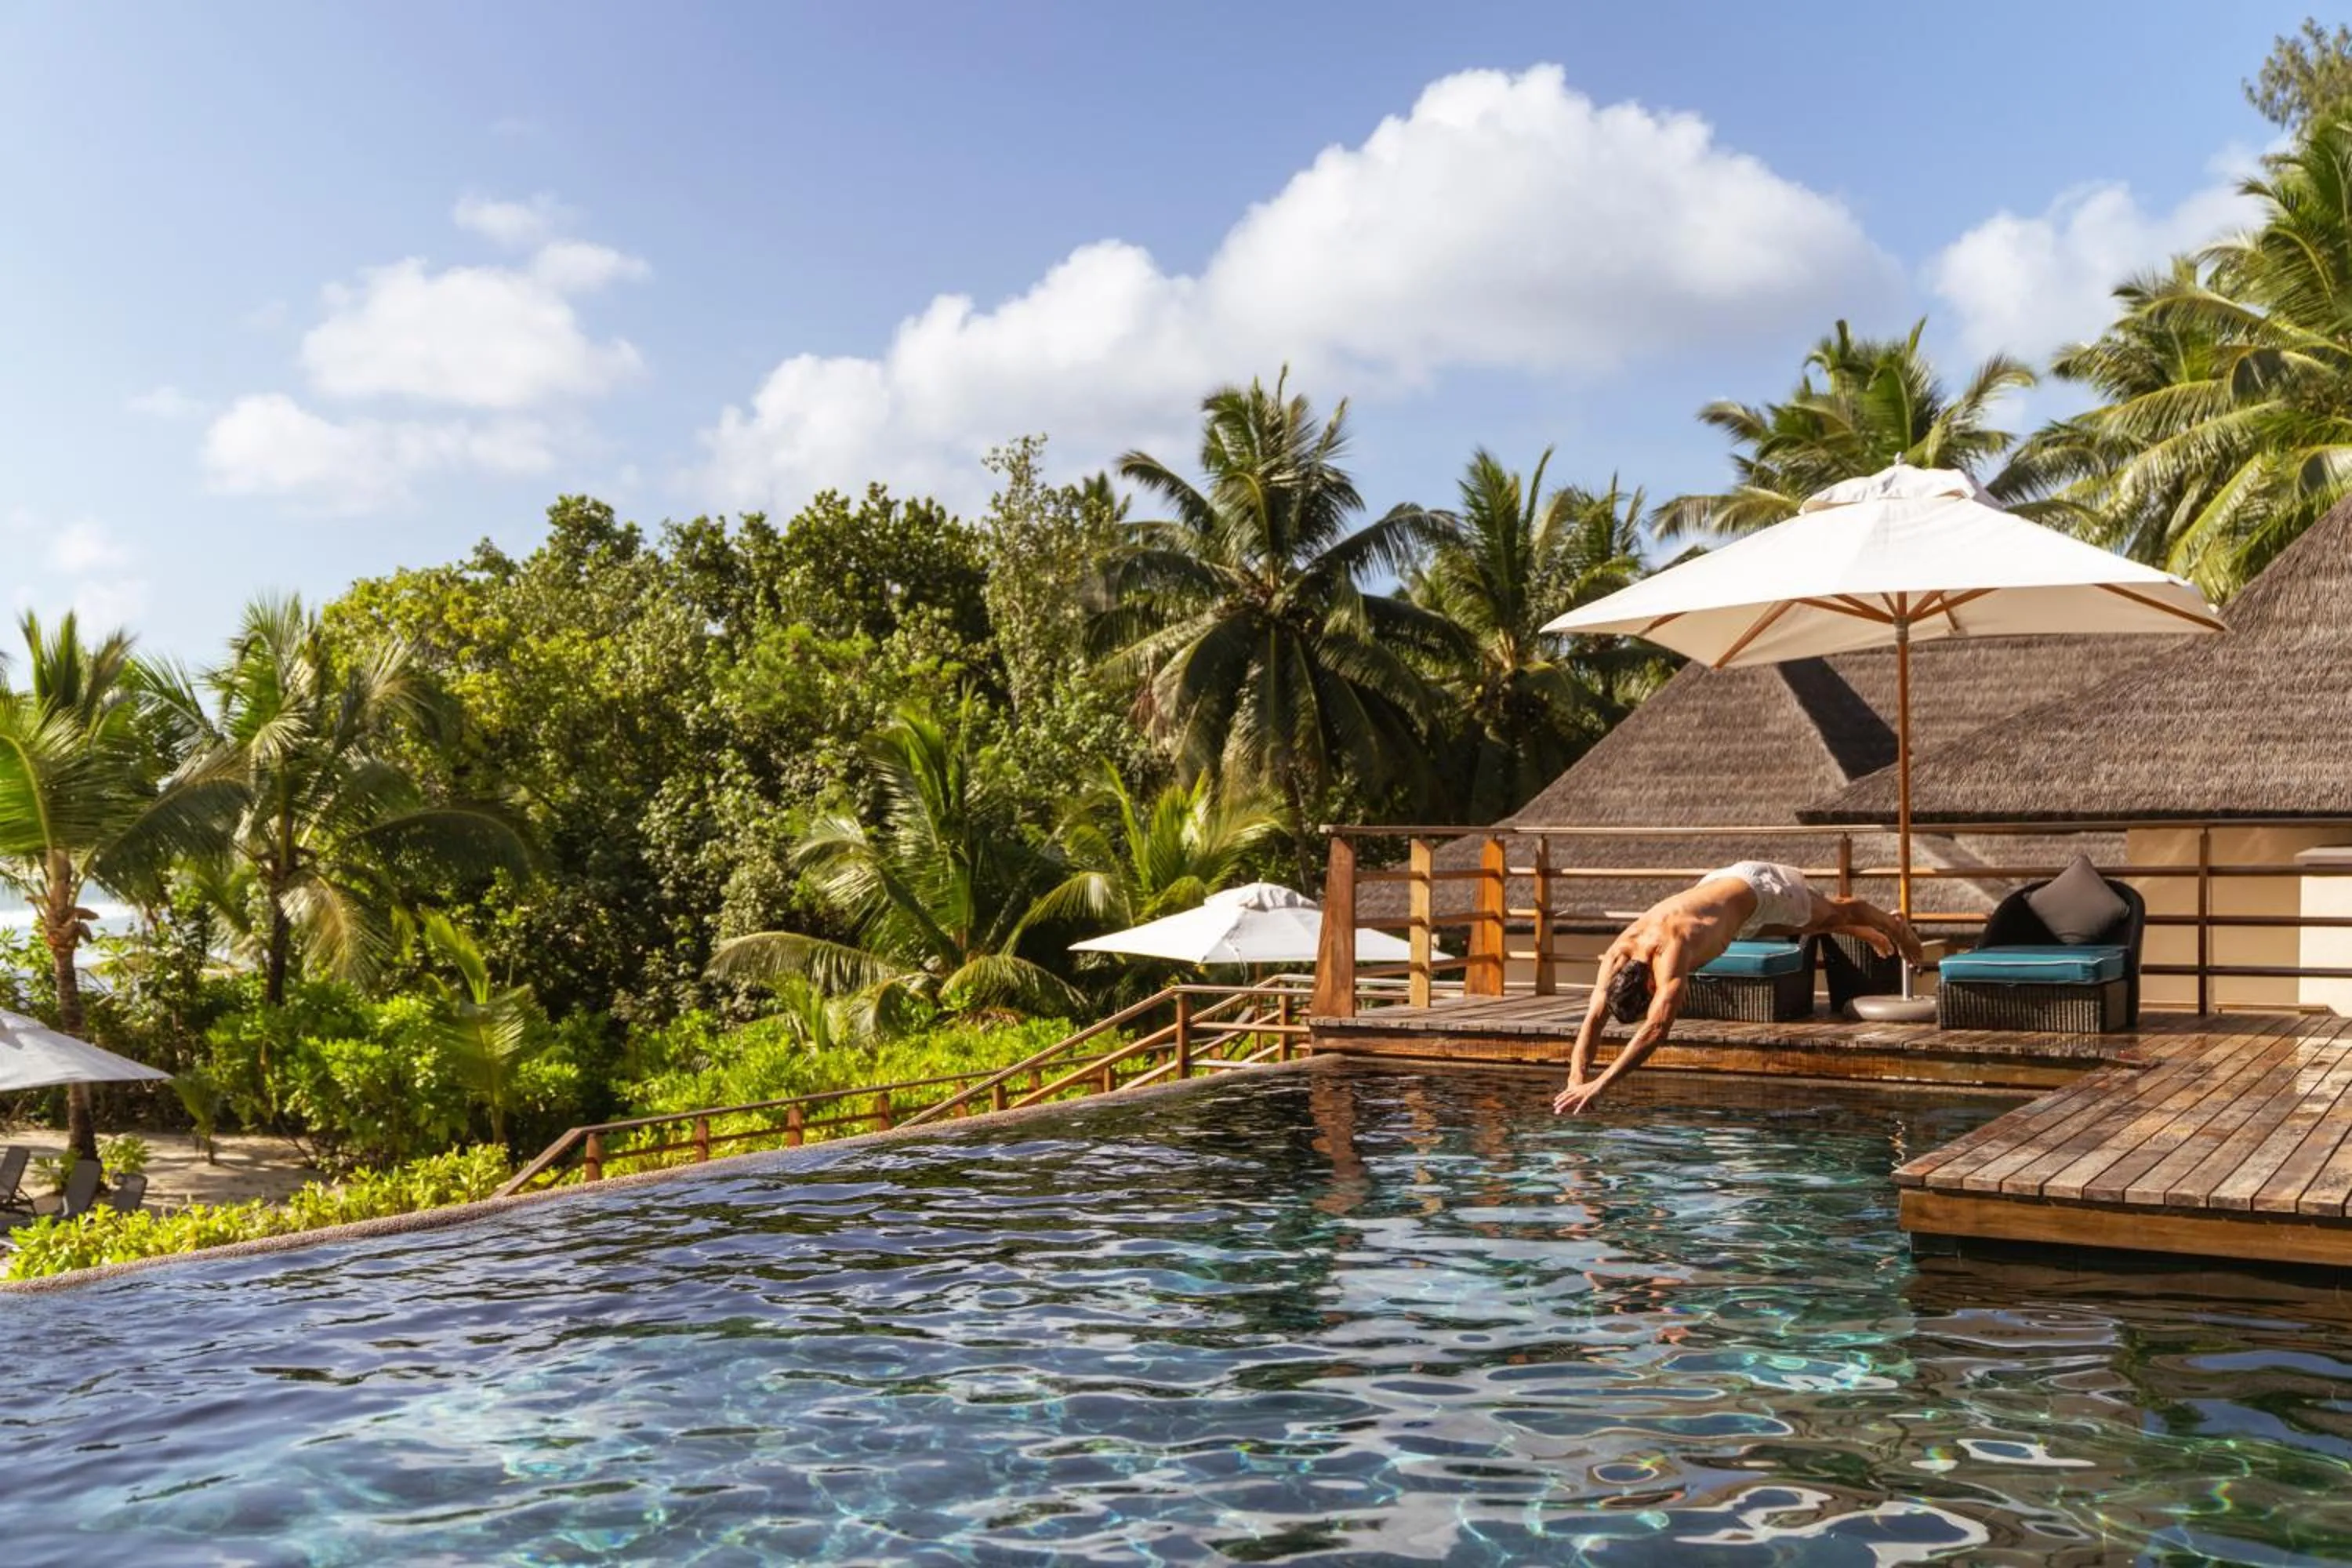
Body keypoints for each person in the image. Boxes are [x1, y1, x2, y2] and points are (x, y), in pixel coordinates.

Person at [1552, 860, 1922, 1116]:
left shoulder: (1672, 951)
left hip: (1759, 887)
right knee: (1786, 924)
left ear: (1650, 983)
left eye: (1650, 998)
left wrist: (1600, 1085)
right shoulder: (1620, 953)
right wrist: (1575, 1080)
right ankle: (1863, 930)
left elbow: (1656, 1030)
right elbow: (1593, 1019)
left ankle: (1893, 927)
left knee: (1838, 912)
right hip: (1723, 891)